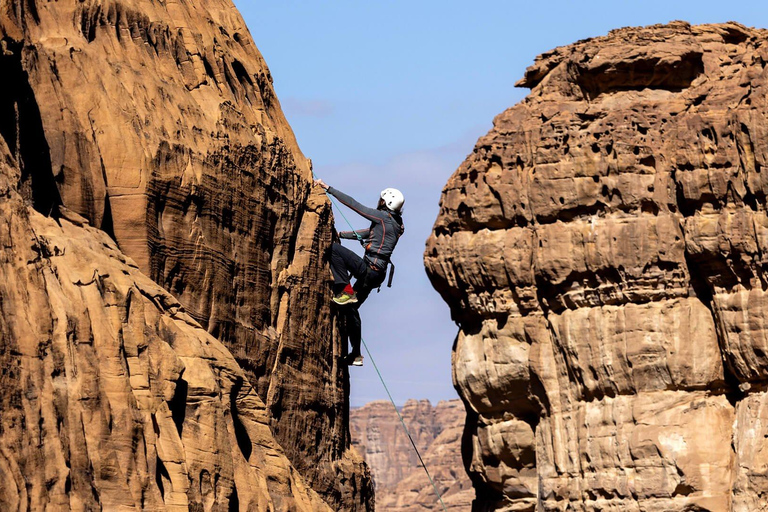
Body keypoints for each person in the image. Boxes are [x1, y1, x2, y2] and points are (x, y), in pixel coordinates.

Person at [313, 178, 405, 366]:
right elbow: (369, 234)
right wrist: (342, 235)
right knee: (351, 309)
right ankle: (355, 354)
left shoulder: (382, 217)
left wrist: (328, 188)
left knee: (334, 250)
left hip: (369, 270)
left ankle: (346, 291)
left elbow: (355, 205)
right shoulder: (396, 223)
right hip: (377, 274)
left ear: (385, 203)